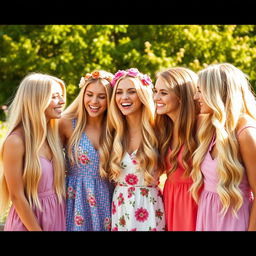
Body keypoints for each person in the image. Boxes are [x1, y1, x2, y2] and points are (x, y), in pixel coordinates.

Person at [191, 63, 256, 231]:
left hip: (234, 221)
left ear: (217, 92)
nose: (195, 97)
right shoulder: (211, 127)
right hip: (208, 217)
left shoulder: (246, 133)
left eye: (200, 90)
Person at [0, 73, 66, 231]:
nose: (62, 101)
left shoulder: (52, 137)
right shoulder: (16, 141)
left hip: (58, 218)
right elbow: (16, 196)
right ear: (36, 100)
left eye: (61, 96)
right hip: (29, 223)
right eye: (55, 96)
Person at [107, 68, 165, 231]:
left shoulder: (159, 130)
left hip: (150, 208)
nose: (124, 97)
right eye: (119, 92)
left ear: (143, 95)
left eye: (131, 92)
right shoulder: (113, 132)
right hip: (121, 207)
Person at [59, 70, 114, 231]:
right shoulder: (67, 123)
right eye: (89, 94)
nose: (94, 101)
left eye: (102, 96)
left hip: (108, 198)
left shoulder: (115, 128)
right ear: (82, 95)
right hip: (76, 199)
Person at [153, 67, 200, 231]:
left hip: (196, 201)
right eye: (155, 91)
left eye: (163, 93)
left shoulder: (201, 126)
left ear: (181, 96)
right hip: (171, 199)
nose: (156, 97)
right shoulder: (163, 128)